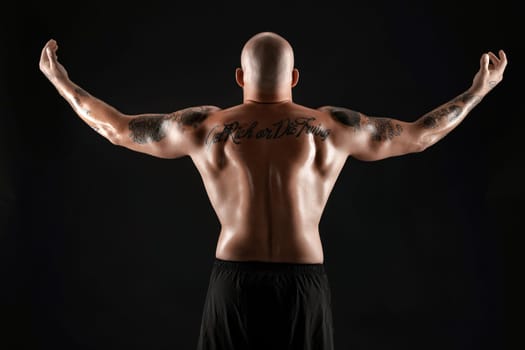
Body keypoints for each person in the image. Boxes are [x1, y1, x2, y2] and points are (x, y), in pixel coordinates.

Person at [39, 31, 507, 350]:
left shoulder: (206, 126)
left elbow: (119, 129)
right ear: (295, 78)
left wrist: (60, 81)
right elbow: (418, 135)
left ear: (239, 78)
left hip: (233, 283)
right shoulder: (331, 127)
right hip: (304, 285)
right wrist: (480, 89)